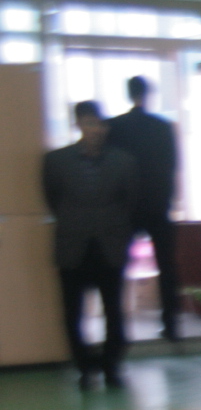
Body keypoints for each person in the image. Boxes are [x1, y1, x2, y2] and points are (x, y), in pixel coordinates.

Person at [42, 101, 139, 388]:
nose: (95, 130)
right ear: (78, 125)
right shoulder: (56, 161)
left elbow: (132, 202)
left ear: (106, 127)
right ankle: (84, 367)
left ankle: (112, 367)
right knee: (72, 312)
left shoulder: (124, 161)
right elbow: (52, 199)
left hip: (110, 244)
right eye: (88, 123)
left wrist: (116, 229)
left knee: (114, 310)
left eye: (99, 124)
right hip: (73, 245)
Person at [107, 75, 182, 340]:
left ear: (128, 94)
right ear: (148, 94)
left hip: (125, 208)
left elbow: (110, 170)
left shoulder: (114, 127)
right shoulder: (162, 127)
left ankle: (117, 326)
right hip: (157, 204)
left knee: (117, 267)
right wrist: (168, 198)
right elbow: (173, 166)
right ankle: (171, 324)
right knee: (167, 266)